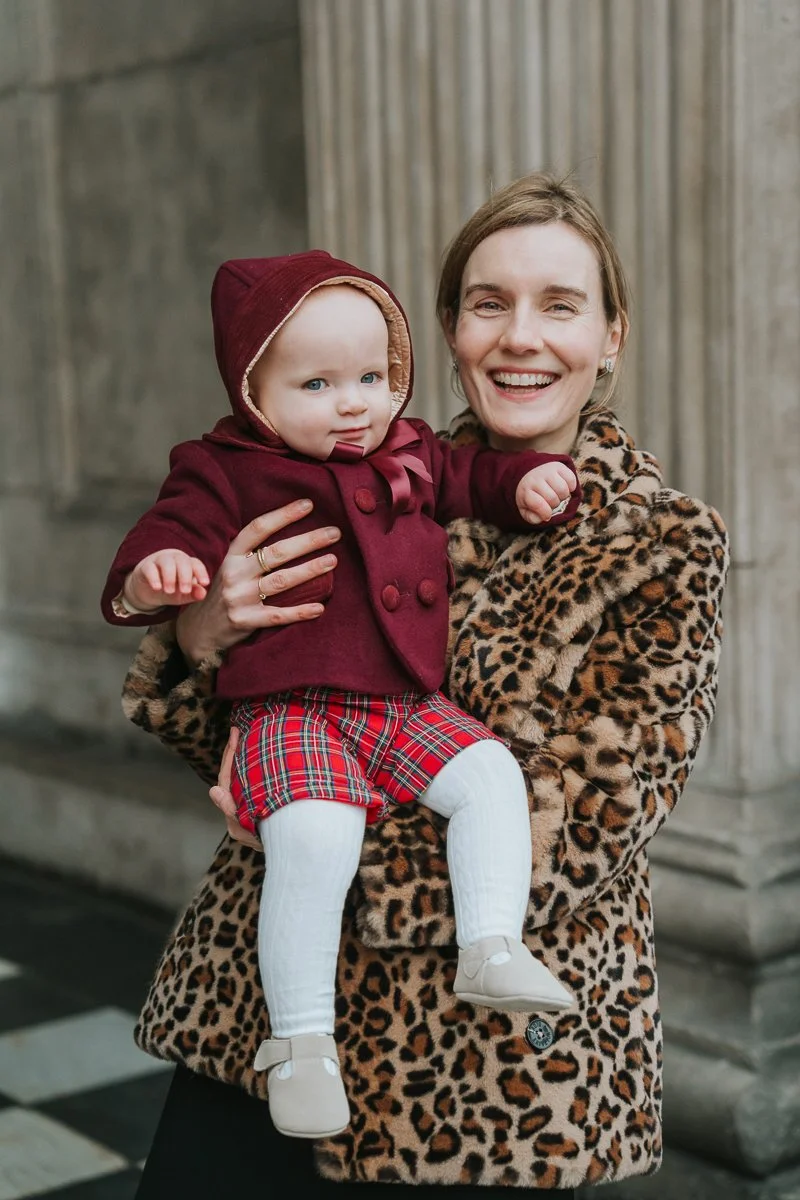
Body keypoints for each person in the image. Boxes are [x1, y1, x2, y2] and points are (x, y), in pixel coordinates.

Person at [128, 173, 729, 1196]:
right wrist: (205, 625)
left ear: (611, 334)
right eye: (487, 302)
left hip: (487, 1079)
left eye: (559, 304)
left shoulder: (659, 540)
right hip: (266, 1017)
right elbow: (217, 724)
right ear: (446, 327)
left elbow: (588, 816)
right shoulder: (347, 466)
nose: (519, 336)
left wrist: (315, 833)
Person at [103, 251, 581, 1138]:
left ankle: (490, 940)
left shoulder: (413, 450)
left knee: (488, 775)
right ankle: (301, 1042)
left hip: (402, 704)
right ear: (255, 393)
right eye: (318, 383)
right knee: (317, 835)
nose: (355, 401)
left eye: (371, 376)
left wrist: (522, 483)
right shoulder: (228, 466)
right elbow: (172, 530)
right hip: (294, 708)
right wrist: (159, 587)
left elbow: (477, 480)